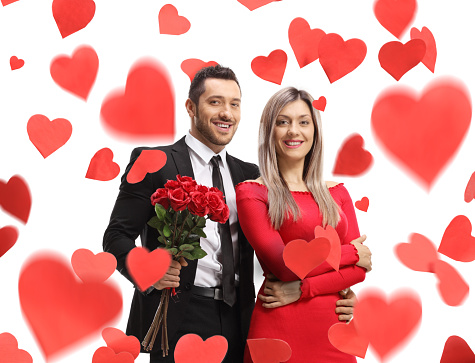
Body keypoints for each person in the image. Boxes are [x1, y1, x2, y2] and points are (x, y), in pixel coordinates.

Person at [103, 66, 369, 363]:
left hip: (240, 317)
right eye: (215, 102)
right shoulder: (155, 161)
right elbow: (115, 237)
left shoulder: (251, 176)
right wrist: (148, 269)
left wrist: (337, 293)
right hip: (179, 316)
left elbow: (291, 241)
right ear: (191, 107)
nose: (226, 113)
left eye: (234, 103)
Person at [236, 87, 371, 362]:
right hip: (279, 327)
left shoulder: (337, 193)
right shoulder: (252, 193)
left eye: (303, 122)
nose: (293, 131)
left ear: (314, 131)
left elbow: (357, 273)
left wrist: (302, 290)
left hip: (335, 329)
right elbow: (285, 266)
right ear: (269, 132)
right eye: (282, 122)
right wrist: (353, 253)